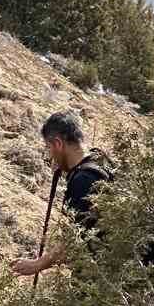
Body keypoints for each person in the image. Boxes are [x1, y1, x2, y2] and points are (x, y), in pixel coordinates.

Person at [10, 110, 113, 278]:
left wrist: (37, 264)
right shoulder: (100, 159)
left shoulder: (83, 180)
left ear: (58, 144)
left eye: (49, 148)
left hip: (108, 276)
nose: (50, 155)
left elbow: (74, 239)